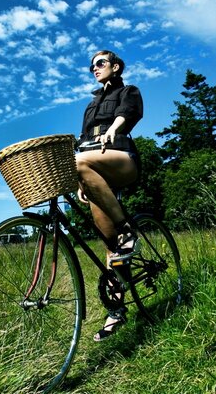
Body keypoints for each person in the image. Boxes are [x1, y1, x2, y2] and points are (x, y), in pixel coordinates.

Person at [76, 50, 143, 342]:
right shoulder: (90, 105)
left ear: (115, 67)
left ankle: (129, 229)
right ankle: (116, 312)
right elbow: (82, 141)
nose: (95, 68)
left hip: (121, 157)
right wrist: (82, 180)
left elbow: (128, 113)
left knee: (79, 162)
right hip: (93, 167)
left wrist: (113, 130)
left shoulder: (128, 91)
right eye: (92, 65)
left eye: (100, 63)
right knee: (110, 249)